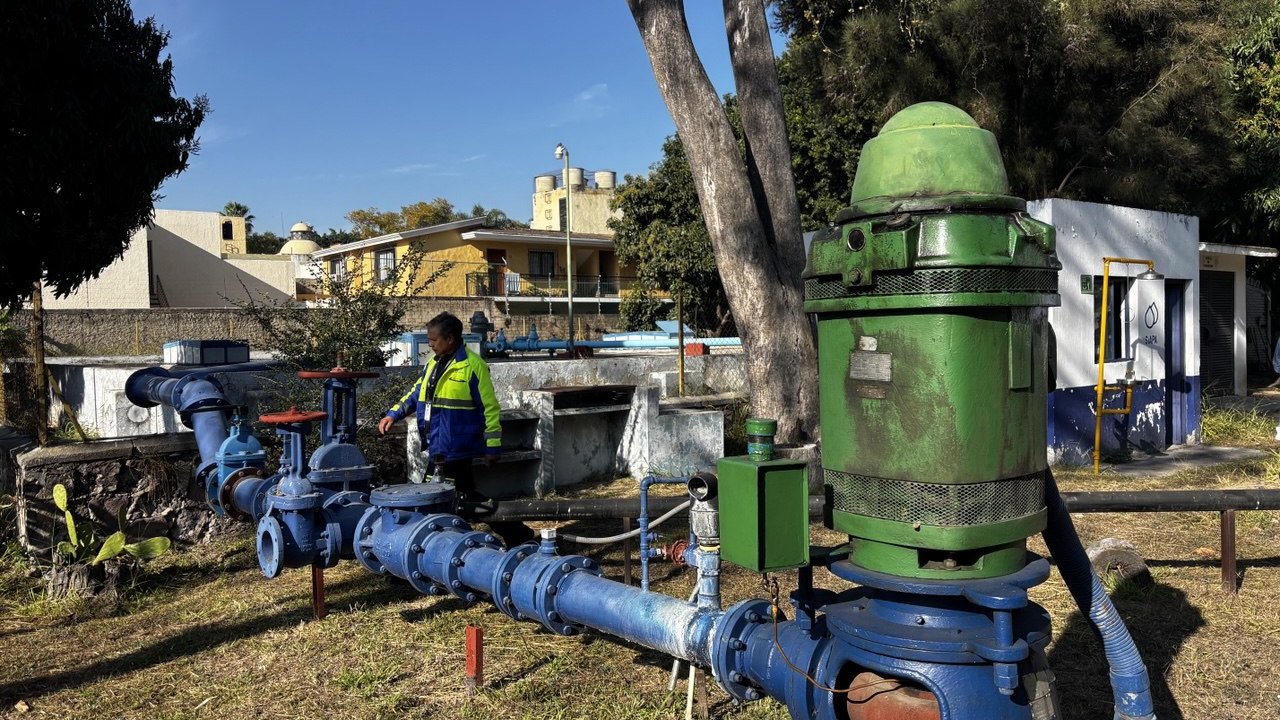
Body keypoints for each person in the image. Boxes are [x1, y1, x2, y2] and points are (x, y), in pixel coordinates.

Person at [378, 312, 535, 546]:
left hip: (458, 447)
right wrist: (393, 414)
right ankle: (515, 534)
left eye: (434, 340)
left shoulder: (474, 366)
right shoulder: (433, 364)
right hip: (438, 443)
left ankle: (452, 542)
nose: (430, 345)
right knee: (461, 496)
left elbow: (489, 409)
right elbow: (415, 394)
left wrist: (492, 446)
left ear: (450, 339)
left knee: (441, 496)